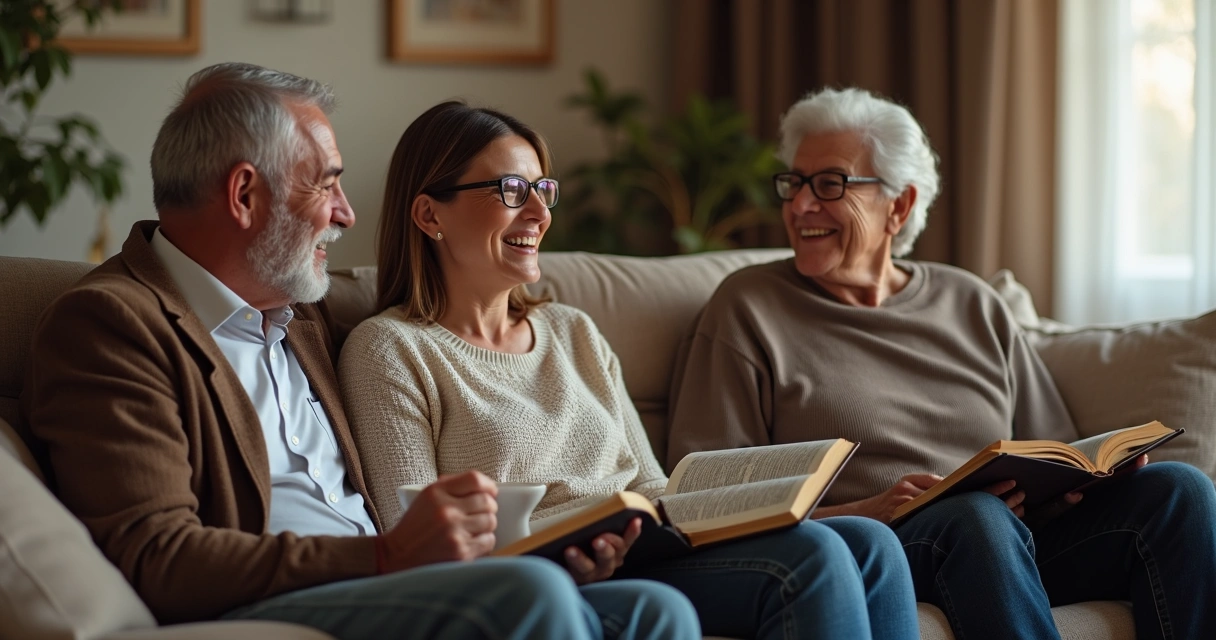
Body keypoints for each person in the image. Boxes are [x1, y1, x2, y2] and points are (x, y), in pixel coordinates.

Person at [21, 63, 701, 640]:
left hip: (394, 574)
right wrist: (383, 556)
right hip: (288, 597)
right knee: (530, 598)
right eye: (327, 183)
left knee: (653, 607)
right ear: (245, 194)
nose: (347, 213)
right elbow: (157, 557)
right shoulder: (112, 325)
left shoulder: (305, 315)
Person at [339, 99, 921, 640]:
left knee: (870, 543)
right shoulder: (390, 350)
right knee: (813, 559)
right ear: (428, 213)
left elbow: (648, 486)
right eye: (513, 190)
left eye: (544, 188)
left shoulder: (574, 331)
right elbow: (412, 536)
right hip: (542, 580)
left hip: (645, 549)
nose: (540, 212)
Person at [666, 86, 1216, 640]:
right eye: (794, 183)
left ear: (899, 205)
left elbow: (1055, 445)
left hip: (1015, 536)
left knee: (1181, 492)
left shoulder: (971, 301)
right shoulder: (747, 307)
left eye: (829, 183)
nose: (800, 205)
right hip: (891, 541)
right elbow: (705, 501)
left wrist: (1084, 478)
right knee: (975, 516)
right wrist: (872, 509)